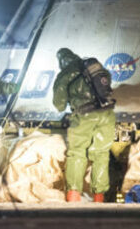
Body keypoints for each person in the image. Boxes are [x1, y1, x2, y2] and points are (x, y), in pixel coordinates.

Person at [51, 48, 115, 203]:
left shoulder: (66, 73)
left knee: (77, 153)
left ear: (62, 61)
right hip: (107, 114)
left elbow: (58, 104)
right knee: (101, 154)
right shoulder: (95, 68)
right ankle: (99, 198)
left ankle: (73, 196)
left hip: (84, 116)